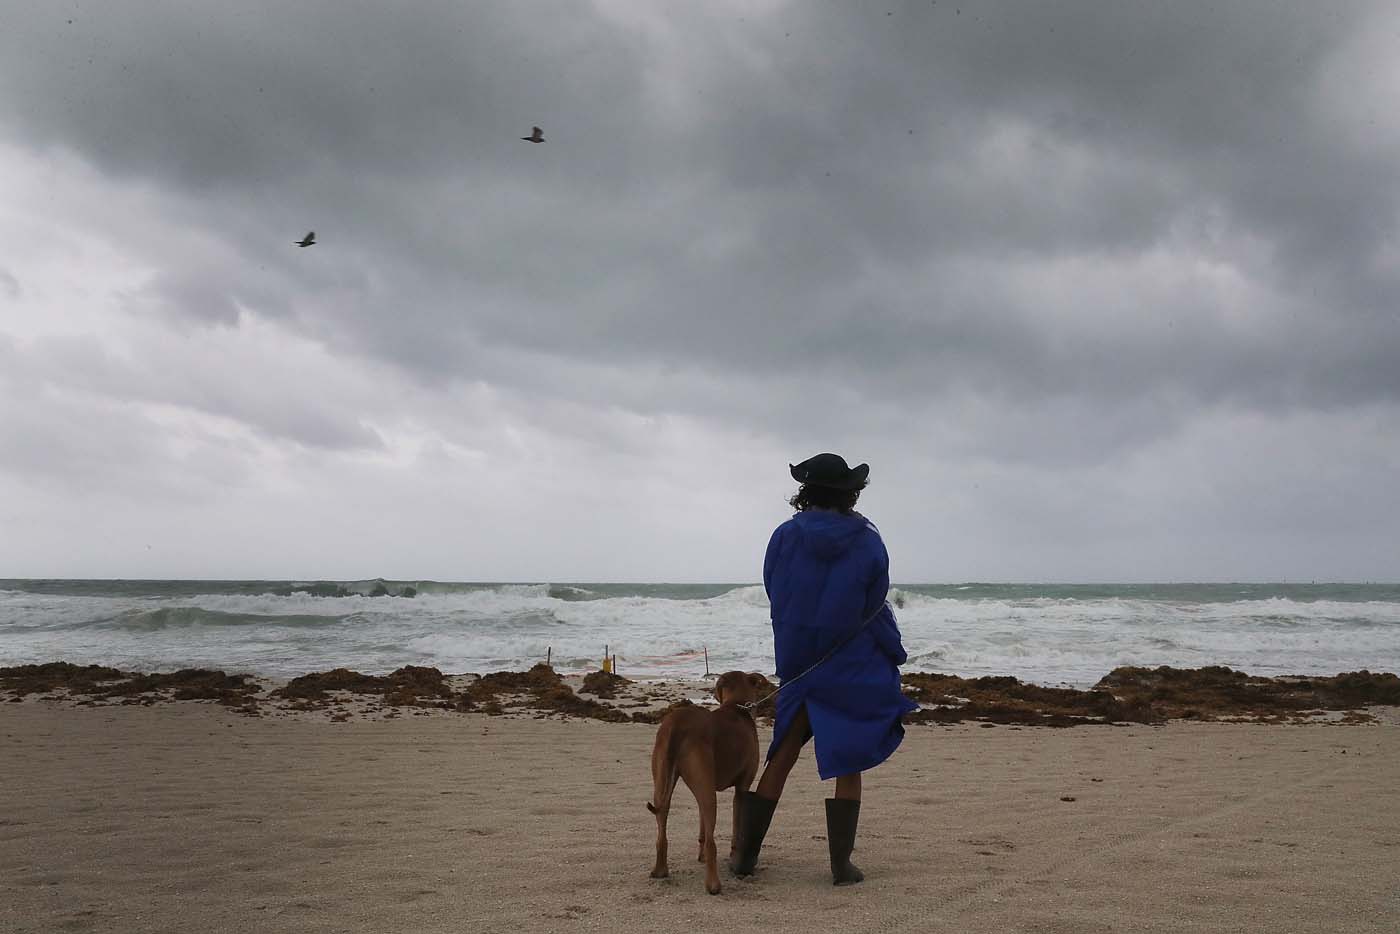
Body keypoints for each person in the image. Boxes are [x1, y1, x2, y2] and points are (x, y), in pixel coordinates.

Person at [730, 452, 917, 885]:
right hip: (850, 662)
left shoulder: (783, 536)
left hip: (799, 661)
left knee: (782, 755)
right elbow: (874, 602)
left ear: (804, 492)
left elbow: (775, 592)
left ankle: (745, 859)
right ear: (850, 494)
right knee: (848, 758)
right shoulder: (868, 540)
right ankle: (840, 865)